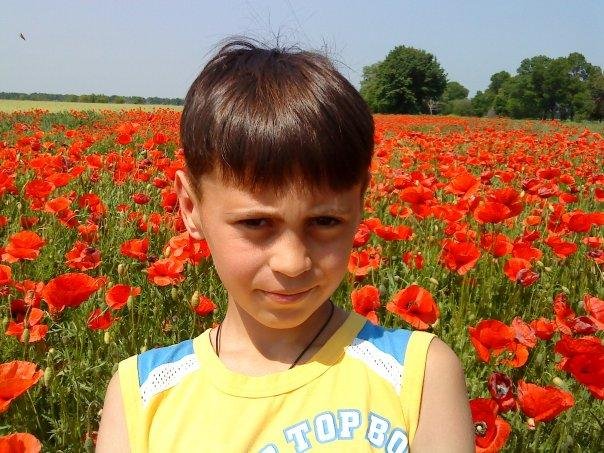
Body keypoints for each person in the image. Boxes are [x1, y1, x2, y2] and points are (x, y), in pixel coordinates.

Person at [96, 39, 474, 452]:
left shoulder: (418, 377)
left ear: (360, 203)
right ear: (190, 208)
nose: (293, 263)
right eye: (256, 223)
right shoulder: (142, 396)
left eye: (325, 221)